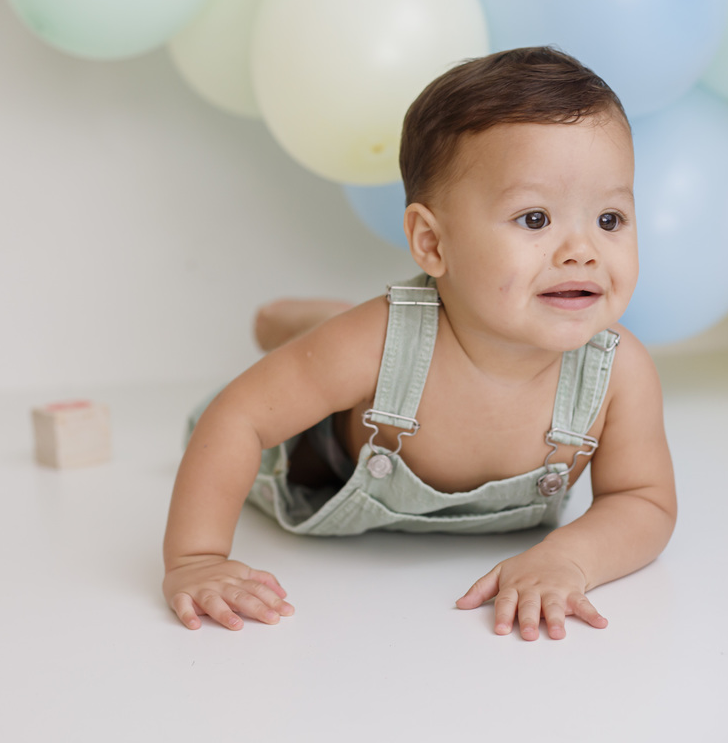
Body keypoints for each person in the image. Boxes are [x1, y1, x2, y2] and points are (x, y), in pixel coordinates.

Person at [162, 47, 676, 641]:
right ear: (432, 243)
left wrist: (570, 559)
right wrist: (196, 558)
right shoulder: (377, 342)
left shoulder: (619, 372)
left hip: (378, 350)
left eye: (610, 219)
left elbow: (643, 500)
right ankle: (304, 327)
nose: (582, 251)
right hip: (324, 452)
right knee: (341, 354)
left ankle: (316, 322)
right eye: (535, 219)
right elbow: (240, 417)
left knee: (344, 345)